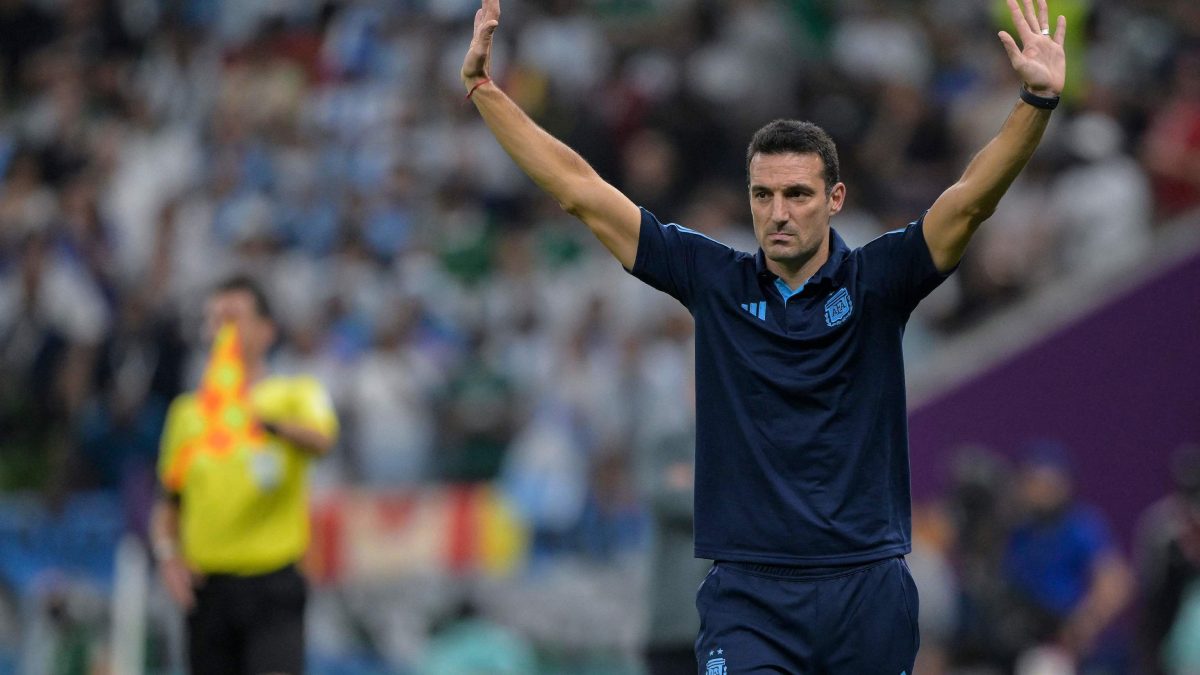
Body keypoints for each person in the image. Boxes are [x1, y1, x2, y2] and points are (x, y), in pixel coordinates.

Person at [460, 0, 1067, 670]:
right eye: (763, 195)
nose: (778, 213)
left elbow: (972, 197)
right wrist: (487, 93)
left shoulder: (877, 281)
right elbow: (581, 189)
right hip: (749, 594)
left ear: (834, 199)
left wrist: (1034, 103)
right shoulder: (713, 279)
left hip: (865, 586)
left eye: (798, 194)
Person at [150, 275, 338, 675]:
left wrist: (264, 422)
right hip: (209, 590)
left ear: (266, 331)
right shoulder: (188, 414)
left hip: (271, 585)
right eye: (215, 319)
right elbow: (169, 502)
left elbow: (321, 439)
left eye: (234, 317)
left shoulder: (293, 394)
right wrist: (168, 558)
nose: (223, 330)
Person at [1000, 442, 1132, 670]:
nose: (1035, 489)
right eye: (1030, 481)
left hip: (1072, 643)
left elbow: (1116, 582)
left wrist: (1086, 621)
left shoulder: (1081, 525)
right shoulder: (1019, 531)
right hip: (1026, 638)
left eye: (1043, 482)